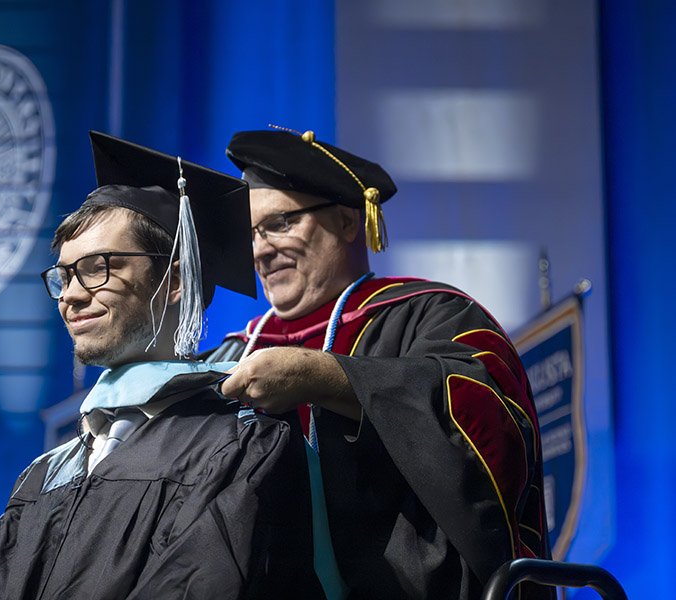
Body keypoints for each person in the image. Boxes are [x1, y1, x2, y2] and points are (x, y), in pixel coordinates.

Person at [0, 132, 317, 600]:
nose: (69, 295)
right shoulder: (45, 472)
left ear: (175, 281)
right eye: (64, 276)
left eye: (97, 267)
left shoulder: (235, 446)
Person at [210, 128, 553, 600]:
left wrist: (329, 378)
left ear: (349, 222)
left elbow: (487, 428)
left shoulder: (434, 314)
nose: (260, 250)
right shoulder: (233, 352)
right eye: (251, 233)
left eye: (281, 223)